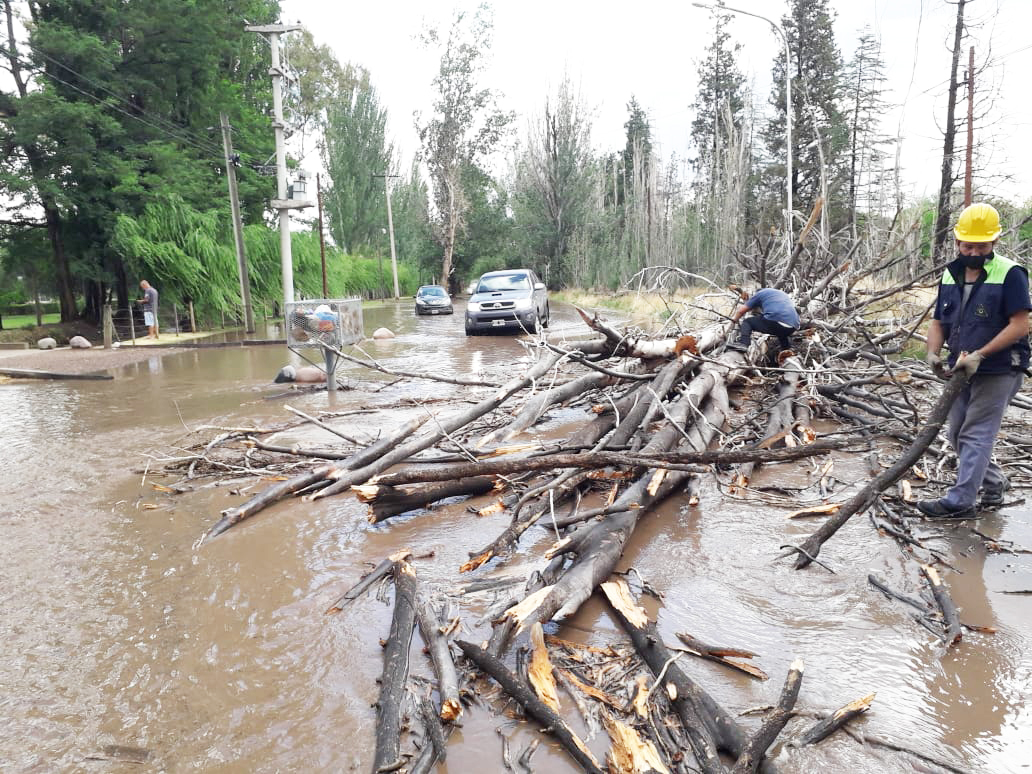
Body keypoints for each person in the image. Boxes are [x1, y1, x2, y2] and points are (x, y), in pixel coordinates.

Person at [917, 203, 1031, 518]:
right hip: (960, 368)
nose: (974, 252)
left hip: (1000, 367)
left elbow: (1021, 325)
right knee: (956, 433)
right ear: (958, 241)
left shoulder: (1010, 273)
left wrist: (981, 354)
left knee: (976, 433)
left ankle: (960, 502)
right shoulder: (950, 274)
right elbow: (939, 321)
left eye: (982, 246)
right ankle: (994, 483)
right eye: (968, 246)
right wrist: (932, 353)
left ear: (994, 241)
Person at [727, 287, 800, 354]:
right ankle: (787, 350)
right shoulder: (780, 294)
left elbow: (741, 311)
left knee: (748, 322)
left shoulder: (759, 294)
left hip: (776, 321)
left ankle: (743, 343)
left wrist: (733, 321)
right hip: (793, 326)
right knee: (781, 332)